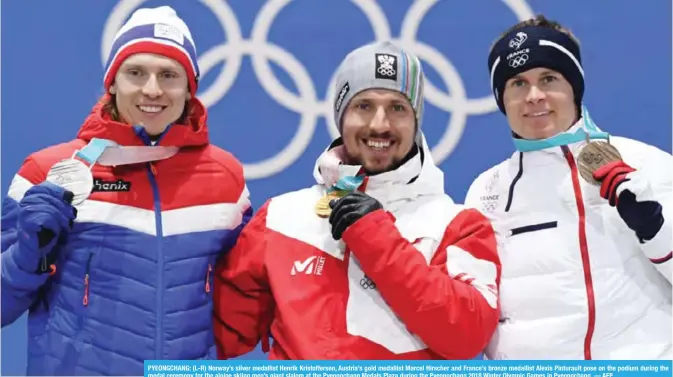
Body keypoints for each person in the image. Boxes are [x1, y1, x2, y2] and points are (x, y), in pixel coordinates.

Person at [1, 6, 251, 375]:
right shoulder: (46, 172)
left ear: (189, 88)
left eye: (169, 75)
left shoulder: (225, 177)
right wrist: (28, 252)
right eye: (136, 73)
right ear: (113, 82)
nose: (152, 89)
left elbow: (244, 297)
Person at [212, 41, 501, 360]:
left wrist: (376, 237)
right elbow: (217, 336)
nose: (380, 124)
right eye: (364, 106)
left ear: (416, 121)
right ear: (341, 116)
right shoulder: (281, 219)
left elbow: (467, 336)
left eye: (397, 108)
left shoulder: (457, 226)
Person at [465, 14, 672, 360]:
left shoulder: (648, 165)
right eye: (517, 83)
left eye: (548, 78)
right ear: (501, 98)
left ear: (574, 86)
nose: (534, 96)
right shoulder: (486, 192)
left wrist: (657, 231)